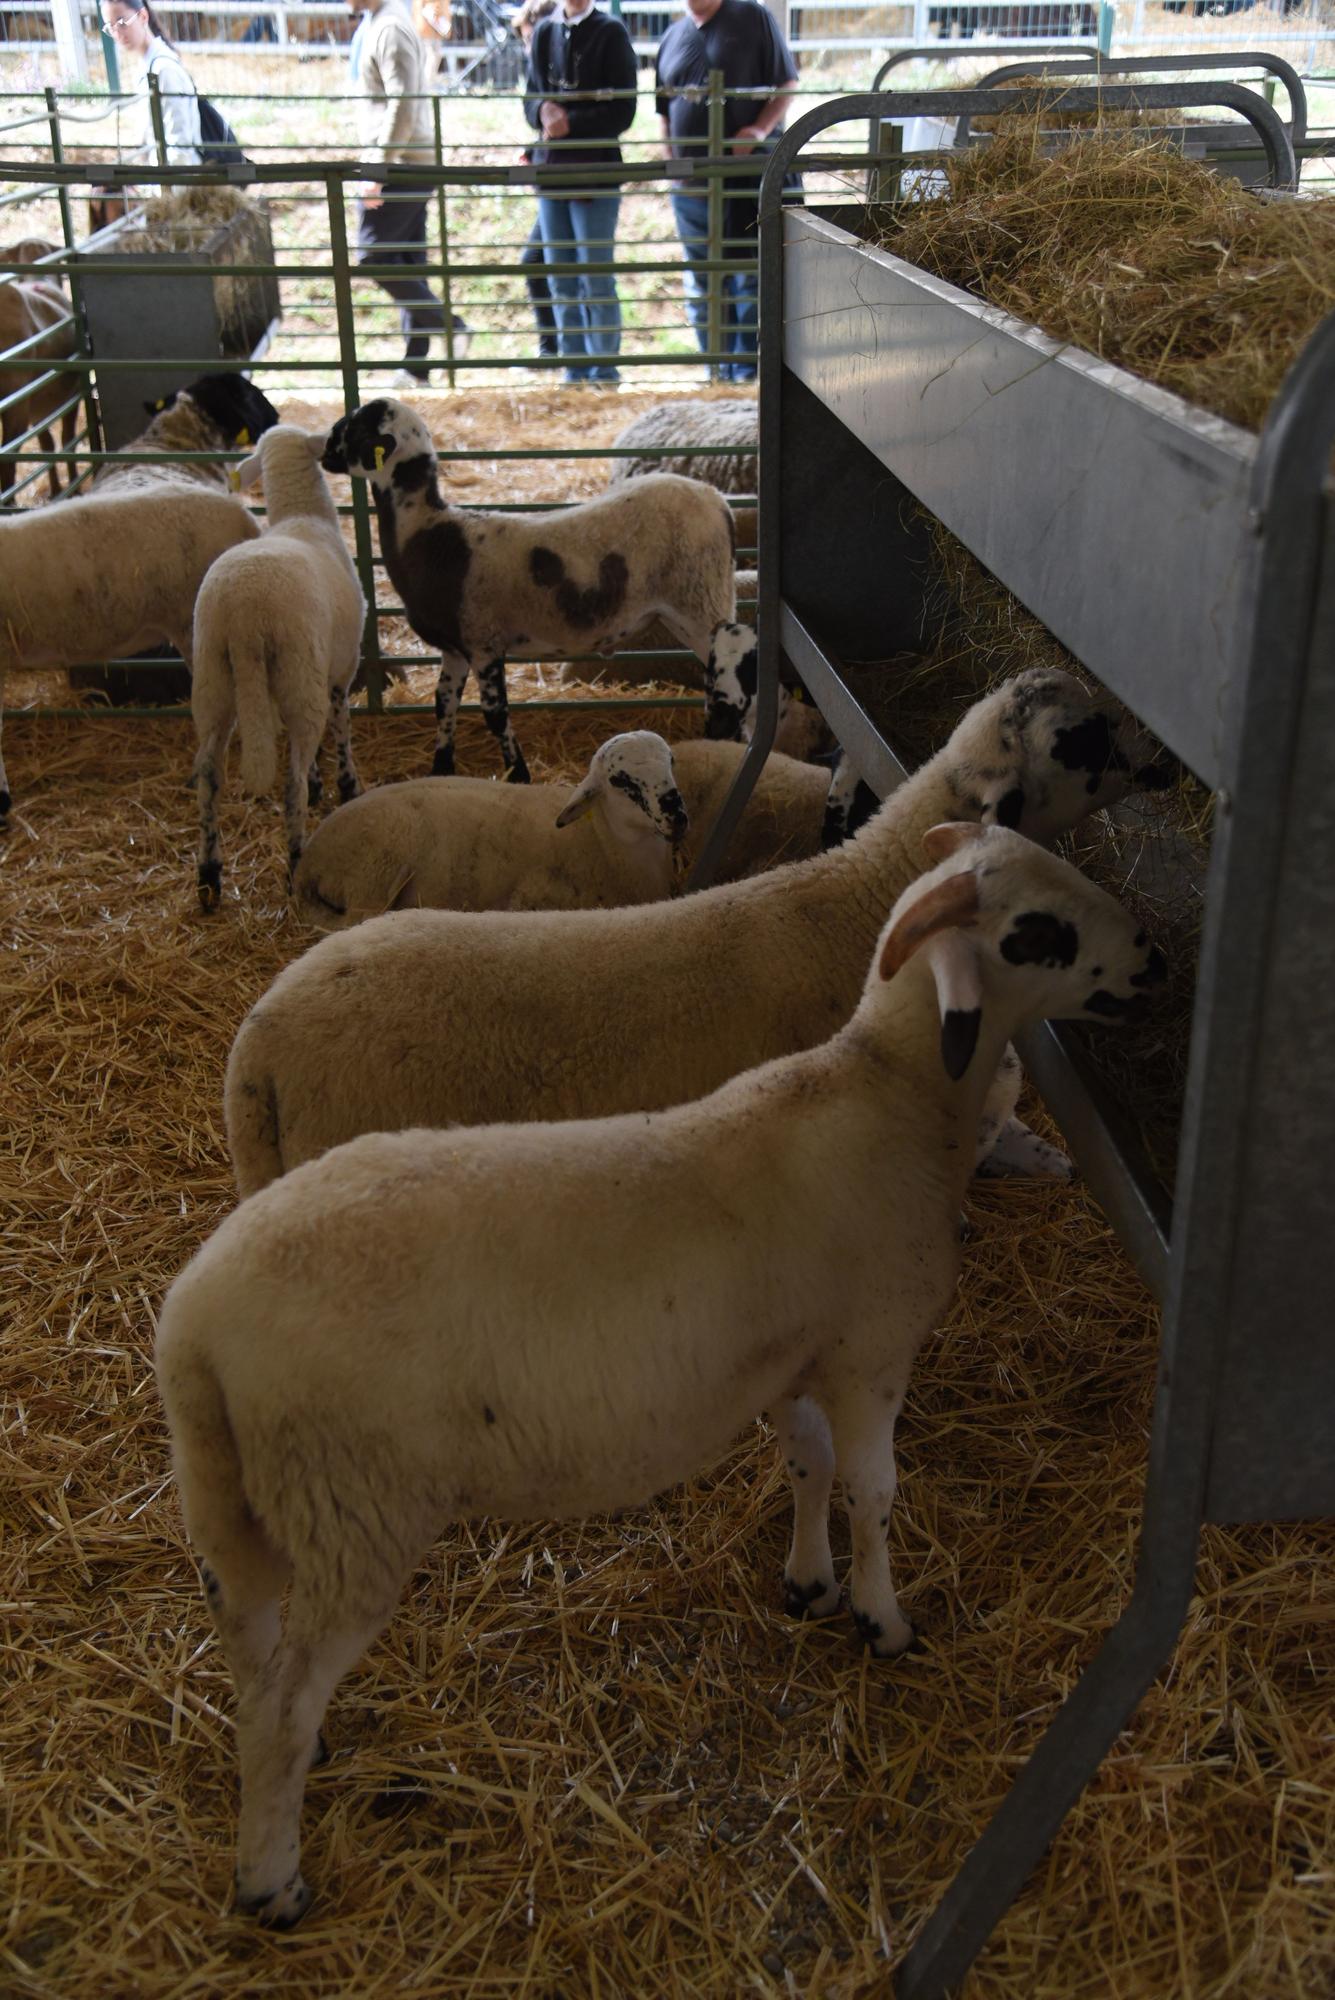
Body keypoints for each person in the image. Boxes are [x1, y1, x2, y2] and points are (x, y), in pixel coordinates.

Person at [655, 0, 798, 383]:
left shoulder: (752, 17)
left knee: (748, 277)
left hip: (745, 179)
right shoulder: (672, 35)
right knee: (703, 282)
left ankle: (747, 375)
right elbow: (664, 110)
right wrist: (672, 161)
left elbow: (787, 82)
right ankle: (716, 371)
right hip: (691, 187)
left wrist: (760, 129)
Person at [348, 0, 471, 386]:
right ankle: (417, 364)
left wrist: (378, 166)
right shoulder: (385, 24)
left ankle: (450, 325)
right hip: (407, 160)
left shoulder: (389, 30)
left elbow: (403, 105)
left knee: (373, 256)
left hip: (401, 163)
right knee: (407, 261)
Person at [523, 0, 636, 387]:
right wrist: (541, 113)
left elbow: (623, 111)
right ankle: (575, 372)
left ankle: (603, 372)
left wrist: (570, 121)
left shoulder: (611, 32)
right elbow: (530, 97)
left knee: (594, 275)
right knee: (562, 276)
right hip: (554, 170)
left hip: (596, 172)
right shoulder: (544, 32)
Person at [101, 0, 203, 168]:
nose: (117, 33)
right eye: (111, 27)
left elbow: (180, 141)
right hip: (162, 175)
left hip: (176, 180)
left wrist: (163, 184)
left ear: (143, 16)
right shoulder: (147, 65)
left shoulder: (164, 69)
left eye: (121, 22)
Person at [514, 0, 559, 362]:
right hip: (551, 177)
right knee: (539, 262)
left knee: (541, 261)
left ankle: (557, 349)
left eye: (531, 40)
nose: (529, 50)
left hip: (569, 180)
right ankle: (554, 348)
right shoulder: (541, 75)